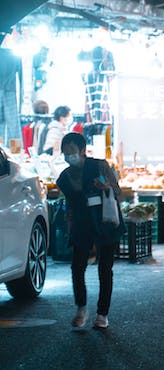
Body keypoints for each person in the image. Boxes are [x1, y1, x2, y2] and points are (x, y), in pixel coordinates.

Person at [56, 132, 124, 330]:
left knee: (105, 269)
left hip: (104, 221)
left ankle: (102, 314)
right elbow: (69, 204)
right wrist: (70, 224)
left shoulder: (99, 166)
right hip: (81, 223)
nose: (69, 156)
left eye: (72, 152)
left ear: (83, 151)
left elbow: (119, 192)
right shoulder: (64, 177)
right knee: (77, 267)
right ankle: (81, 308)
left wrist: (106, 187)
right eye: (65, 153)